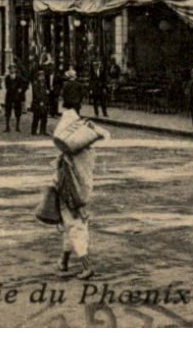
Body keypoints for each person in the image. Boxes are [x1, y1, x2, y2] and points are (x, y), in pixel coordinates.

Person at [52, 85, 109, 280]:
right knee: (72, 221)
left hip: (69, 182)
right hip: (82, 180)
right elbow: (104, 135)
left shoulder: (64, 124)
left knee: (74, 222)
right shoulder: (83, 125)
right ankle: (64, 261)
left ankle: (86, 265)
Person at [30, 67, 53, 135]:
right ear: (38, 76)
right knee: (36, 117)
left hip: (44, 102)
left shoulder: (44, 84)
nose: (42, 77)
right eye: (41, 76)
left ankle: (43, 130)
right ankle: (33, 131)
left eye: (43, 75)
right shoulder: (35, 84)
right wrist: (40, 101)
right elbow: (36, 93)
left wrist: (47, 93)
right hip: (37, 103)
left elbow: (46, 92)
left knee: (44, 117)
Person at [4, 65, 27, 132]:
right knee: (8, 111)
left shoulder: (19, 77)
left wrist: (21, 89)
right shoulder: (7, 78)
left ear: (15, 70)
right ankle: (7, 126)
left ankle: (17, 126)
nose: (12, 70)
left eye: (13, 69)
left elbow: (24, 84)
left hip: (17, 96)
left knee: (18, 111)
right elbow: (7, 86)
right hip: (9, 96)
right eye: (11, 69)